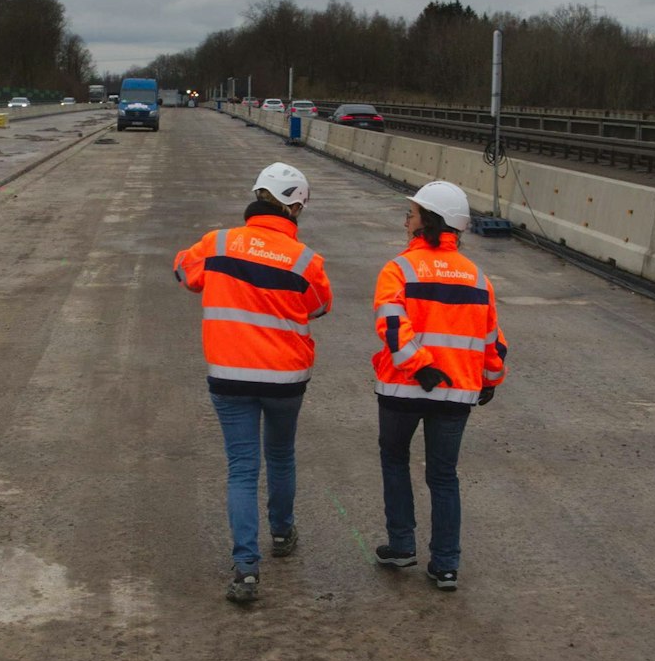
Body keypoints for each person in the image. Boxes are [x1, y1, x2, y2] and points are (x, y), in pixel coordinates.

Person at [174, 162, 333, 604]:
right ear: (295, 207)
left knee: (242, 469)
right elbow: (320, 306)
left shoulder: (218, 242)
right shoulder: (306, 260)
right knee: (280, 455)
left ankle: (246, 568)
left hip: (230, 377)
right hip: (285, 379)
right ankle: (282, 534)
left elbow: (185, 273)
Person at [370, 180, 507, 591]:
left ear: (427, 223)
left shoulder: (399, 268)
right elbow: (492, 339)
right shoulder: (477, 278)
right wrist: (490, 379)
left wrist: (419, 366)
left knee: (395, 460)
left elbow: (391, 323)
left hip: (402, 387)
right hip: (457, 392)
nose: (406, 219)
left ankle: (402, 545)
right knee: (444, 476)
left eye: (411, 214)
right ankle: (446, 565)